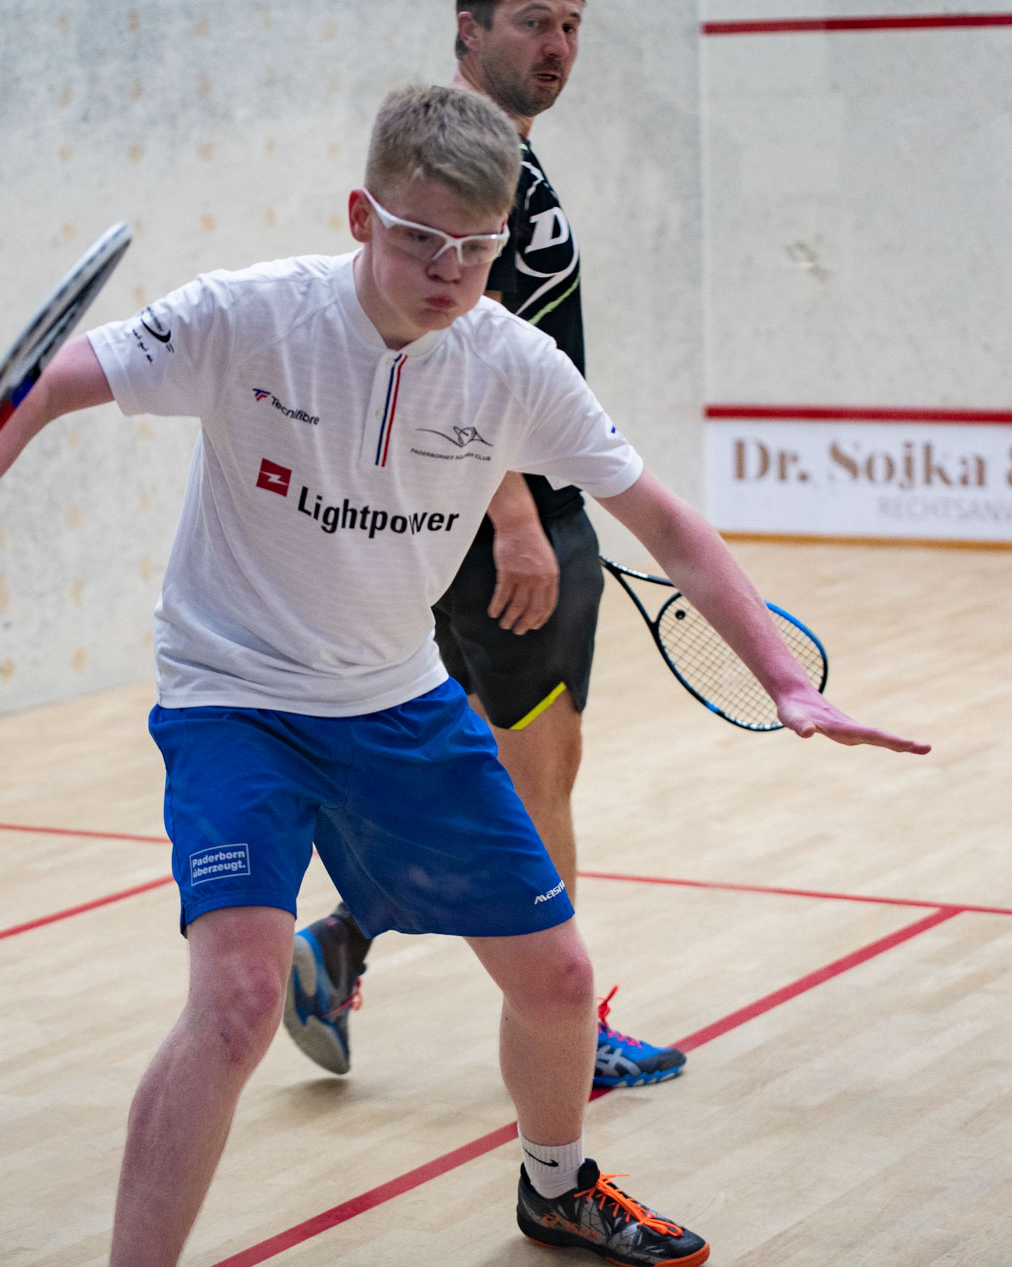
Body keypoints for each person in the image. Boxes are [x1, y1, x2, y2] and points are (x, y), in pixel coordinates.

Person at [0, 85, 927, 1267]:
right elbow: (49, 381)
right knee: (236, 1004)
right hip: (235, 699)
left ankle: (555, 1188)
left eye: (476, 247)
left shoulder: (511, 364)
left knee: (559, 979)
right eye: (421, 237)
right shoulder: (248, 317)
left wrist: (786, 681)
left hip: (395, 698)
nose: (448, 270)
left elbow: (669, 526)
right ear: (359, 215)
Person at [285, 0, 685, 1093]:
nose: (556, 48)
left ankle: (342, 940)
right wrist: (515, 518)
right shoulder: (468, 175)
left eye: (571, 25)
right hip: (508, 530)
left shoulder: (499, 161)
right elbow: (444, 347)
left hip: (469, 523)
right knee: (538, 775)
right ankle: (568, 1030)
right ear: (468, 28)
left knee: (474, 768)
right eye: (532, 22)